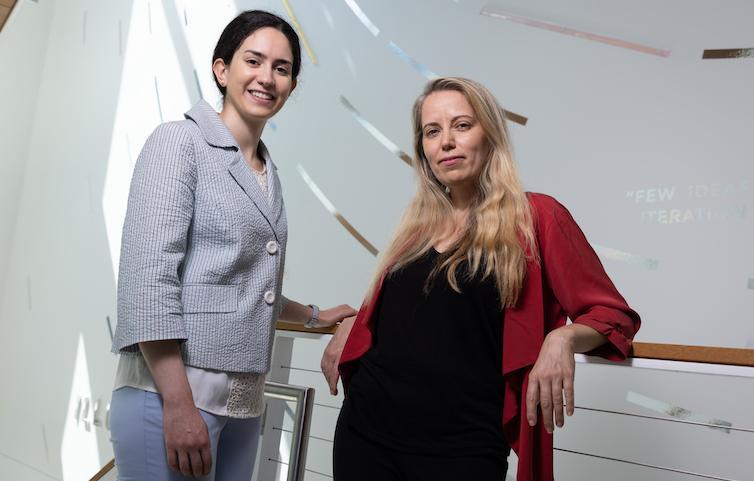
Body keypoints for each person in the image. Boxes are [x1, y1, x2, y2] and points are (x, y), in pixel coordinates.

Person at [321, 77, 641, 481]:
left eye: (462, 125)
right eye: (432, 132)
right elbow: (408, 316)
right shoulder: (415, 228)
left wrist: (562, 338)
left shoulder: (536, 217)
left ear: (489, 133)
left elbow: (612, 314)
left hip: (462, 447)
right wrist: (353, 320)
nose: (446, 142)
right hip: (365, 434)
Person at [109, 10, 356, 481]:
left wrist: (311, 315)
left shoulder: (266, 171)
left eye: (281, 69)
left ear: (292, 85)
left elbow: (239, 284)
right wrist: (178, 405)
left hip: (243, 402)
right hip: (170, 396)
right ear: (222, 70)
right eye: (254, 61)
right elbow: (148, 282)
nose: (267, 77)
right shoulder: (178, 142)